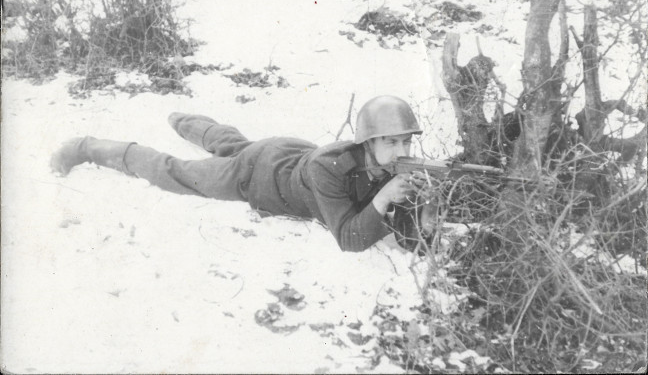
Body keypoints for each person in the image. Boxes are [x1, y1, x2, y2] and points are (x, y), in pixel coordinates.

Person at [50, 95, 425, 252]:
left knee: (231, 144)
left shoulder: (381, 161)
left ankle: (183, 119)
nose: (402, 152)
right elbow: (349, 238)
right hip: (257, 175)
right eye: (391, 143)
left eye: (406, 143)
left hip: (285, 152)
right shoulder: (330, 169)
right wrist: (384, 198)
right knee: (176, 172)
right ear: (368, 141)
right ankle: (87, 147)